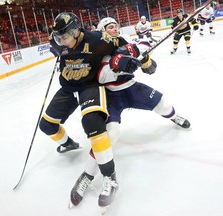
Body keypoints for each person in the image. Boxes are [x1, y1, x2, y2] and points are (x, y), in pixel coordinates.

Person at [70, 17, 191, 208]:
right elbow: (100, 76)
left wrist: (145, 61)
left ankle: (175, 117)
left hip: (131, 88)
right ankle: (87, 174)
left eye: (116, 26)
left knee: (162, 104)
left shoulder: (125, 40)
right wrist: (117, 65)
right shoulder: (96, 48)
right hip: (111, 96)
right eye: (110, 27)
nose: (114, 29)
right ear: (102, 31)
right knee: (110, 135)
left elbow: (148, 62)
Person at [38, 12, 140, 209]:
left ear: (76, 30)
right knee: (46, 125)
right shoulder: (58, 39)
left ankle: (110, 177)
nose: (61, 41)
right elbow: (54, 45)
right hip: (68, 88)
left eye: (64, 37)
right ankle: (68, 144)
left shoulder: (99, 39)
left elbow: (122, 44)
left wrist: (125, 58)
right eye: (58, 37)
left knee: (93, 125)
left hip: (90, 87)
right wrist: (57, 49)